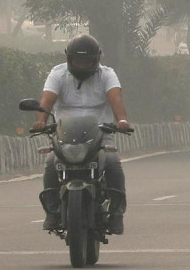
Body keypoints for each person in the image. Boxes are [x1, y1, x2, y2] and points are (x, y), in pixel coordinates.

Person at [33, 34, 131, 234]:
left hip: (101, 133)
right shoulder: (58, 74)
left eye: (87, 62)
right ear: (69, 59)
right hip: (65, 134)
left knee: (112, 162)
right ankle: (52, 212)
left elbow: (115, 98)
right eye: (78, 61)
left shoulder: (107, 74)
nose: (82, 65)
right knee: (51, 163)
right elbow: (46, 101)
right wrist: (40, 122)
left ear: (96, 60)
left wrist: (121, 120)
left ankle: (116, 213)